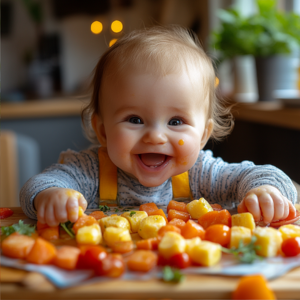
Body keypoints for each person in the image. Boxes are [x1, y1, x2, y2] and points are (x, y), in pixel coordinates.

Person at [20, 25, 297, 227]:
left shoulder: (201, 172)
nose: (155, 136)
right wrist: (51, 196)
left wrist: (265, 192)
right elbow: (39, 184)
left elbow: (259, 175)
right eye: (135, 120)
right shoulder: (89, 171)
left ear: (202, 134)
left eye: (175, 121)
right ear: (103, 131)